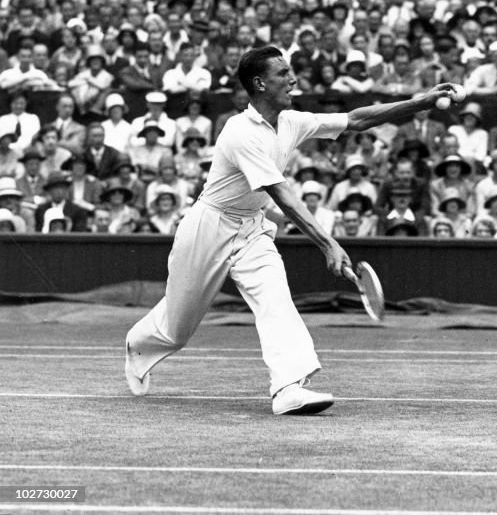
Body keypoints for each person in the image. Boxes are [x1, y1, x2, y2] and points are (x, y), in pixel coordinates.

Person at [125, 46, 459, 415]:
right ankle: (138, 344)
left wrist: (421, 103)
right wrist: (328, 243)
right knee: (177, 328)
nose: (293, 79)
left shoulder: (291, 121)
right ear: (260, 83)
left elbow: (356, 119)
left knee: (275, 298)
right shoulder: (239, 132)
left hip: (251, 230)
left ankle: (288, 387)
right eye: (283, 73)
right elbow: (281, 193)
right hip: (208, 227)